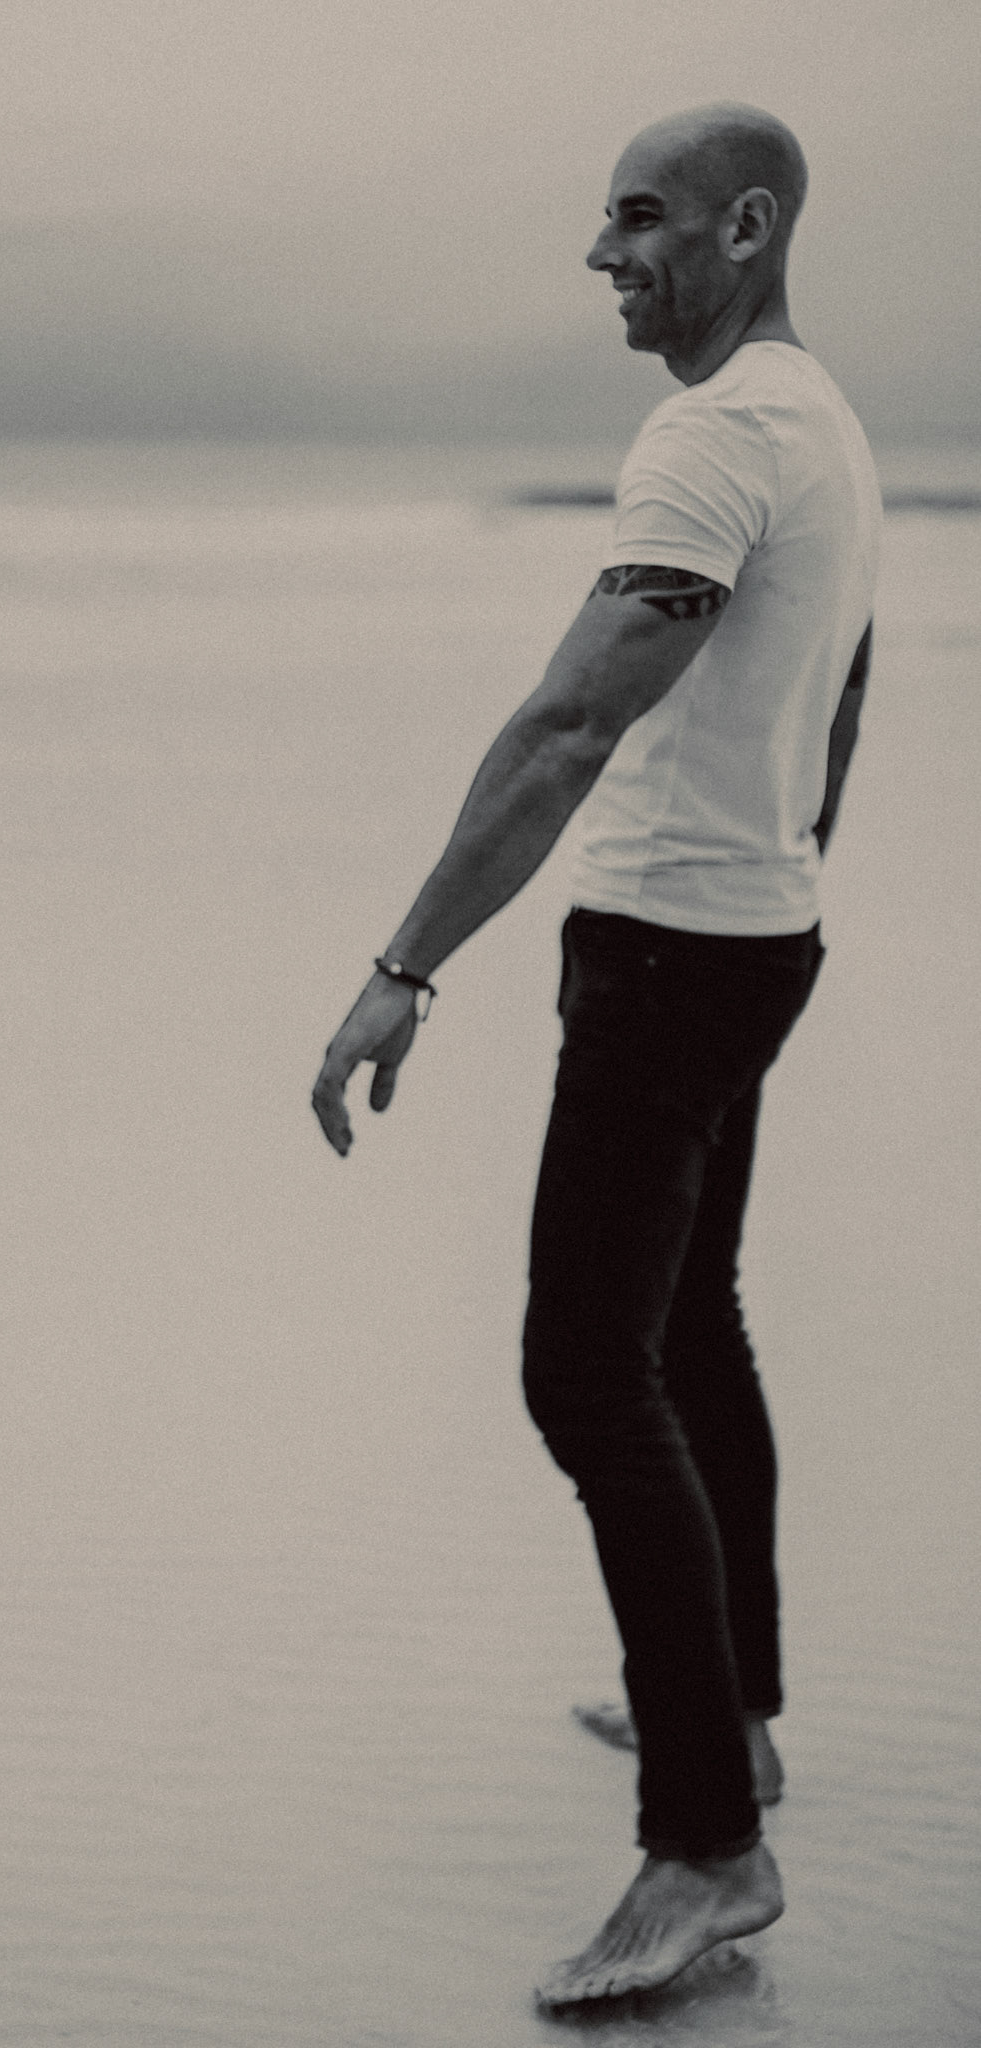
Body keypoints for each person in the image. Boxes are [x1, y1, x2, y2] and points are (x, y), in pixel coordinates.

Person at [311, 105, 879, 2006]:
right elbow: (845, 683)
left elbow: (566, 723)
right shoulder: (819, 415)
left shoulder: (711, 434)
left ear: (741, 226)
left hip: (665, 952)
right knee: (685, 1322)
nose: (599, 255)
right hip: (752, 930)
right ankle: (739, 1713)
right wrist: (788, 859)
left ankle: (708, 1843)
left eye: (634, 221)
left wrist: (403, 963)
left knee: (582, 1372)